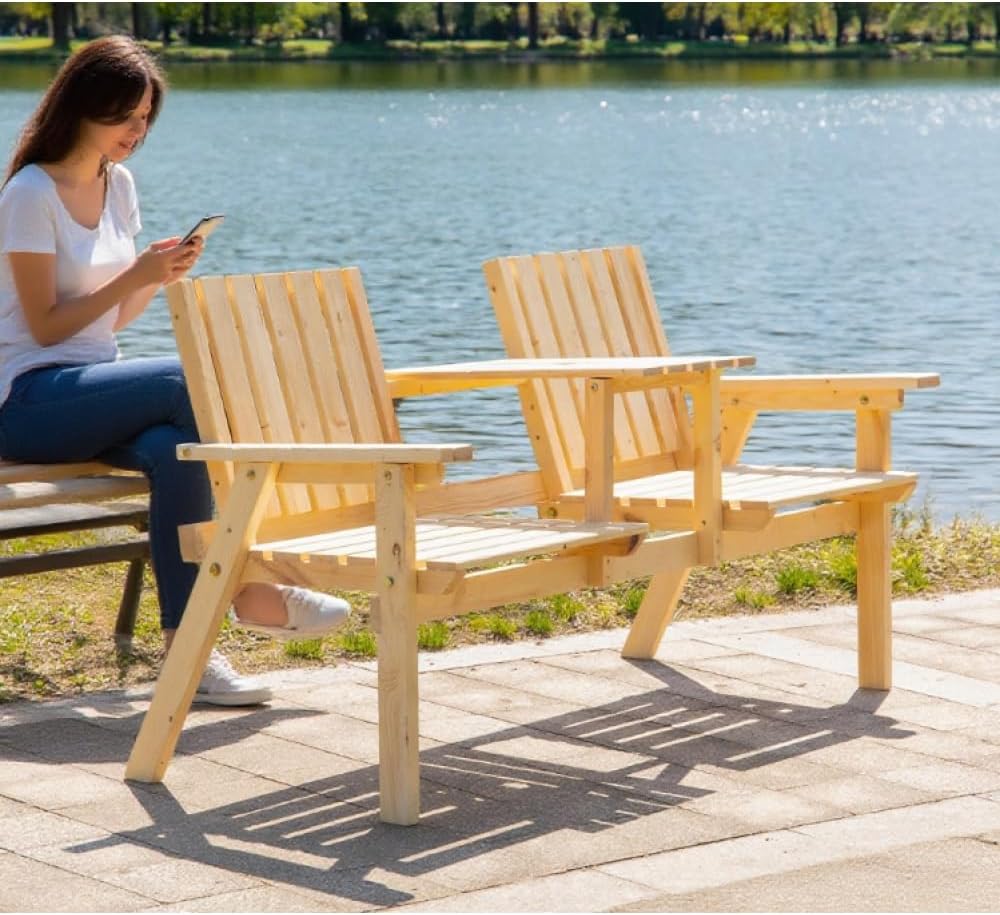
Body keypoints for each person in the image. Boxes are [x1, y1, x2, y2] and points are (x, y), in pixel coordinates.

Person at [0, 36, 350, 706]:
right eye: (126, 115)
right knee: (184, 382)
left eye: (145, 119)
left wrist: (156, 278)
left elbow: (112, 323)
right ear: (83, 106)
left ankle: (188, 655)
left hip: (93, 390)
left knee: (176, 450)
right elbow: (44, 326)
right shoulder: (29, 194)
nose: (137, 131)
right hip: (26, 401)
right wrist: (135, 271)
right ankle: (249, 586)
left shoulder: (117, 184)